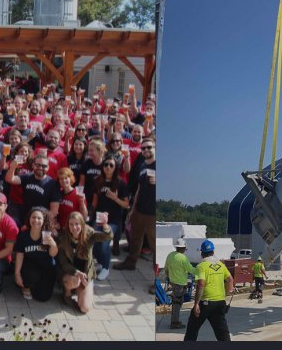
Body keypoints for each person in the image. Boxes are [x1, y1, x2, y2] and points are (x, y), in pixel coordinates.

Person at [56, 211, 111, 314]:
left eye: (77, 224)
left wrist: (105, 225)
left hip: (85, 273)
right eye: (71, 224)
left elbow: (106, 237)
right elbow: (64, 264)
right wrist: (77, 273)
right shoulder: (63, 237)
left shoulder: (89, 233)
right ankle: (67, 293)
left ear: (82, 224)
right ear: (68, 225)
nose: (74, 227)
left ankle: (81, 289)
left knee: (84, 308)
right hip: (70, 273)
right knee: (75, 281)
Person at [116, 139, 155, 270]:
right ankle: (131, 262)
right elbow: (139, 188)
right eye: (143, 148)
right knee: (135, 238)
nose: (146, 150)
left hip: (153, 213)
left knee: (154, 244)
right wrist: (133, 209)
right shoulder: (143, 165)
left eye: (149, 147)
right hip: (139, 209)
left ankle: (156, 280)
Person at [186, 240, 232, 341]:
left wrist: (196, 303)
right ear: (213, 252)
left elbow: (201, 284)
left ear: (202, 254)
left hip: (206, 303)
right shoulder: (221, 265)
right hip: (220, 302)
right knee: (222, 331)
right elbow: (230, 280)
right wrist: (226, 293)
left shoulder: (201, 266)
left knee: (192, 329)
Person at [13, 208, 59, 301]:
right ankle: (26, 286)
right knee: (30, 274)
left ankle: (37, 285)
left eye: (39, 218)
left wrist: (53, 244)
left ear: (44, 220)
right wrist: (17, 274)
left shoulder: (49, 234)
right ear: (29, 219)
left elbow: (53, 254)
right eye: (33, 217)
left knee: (42, 298)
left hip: (46, 267)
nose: (36, 220)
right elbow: (20, 255)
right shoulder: (23, 235)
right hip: (30, 266)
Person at [164, 238, 192, 329]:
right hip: (180, 284)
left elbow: (166, 268)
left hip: (173, 282)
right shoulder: (183, 258)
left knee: (177, 302)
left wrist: (169, 277)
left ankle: (174, 320)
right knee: (177, 303)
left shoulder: (170, 255)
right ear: (183, 248)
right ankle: (175, 322)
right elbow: (190, 269)